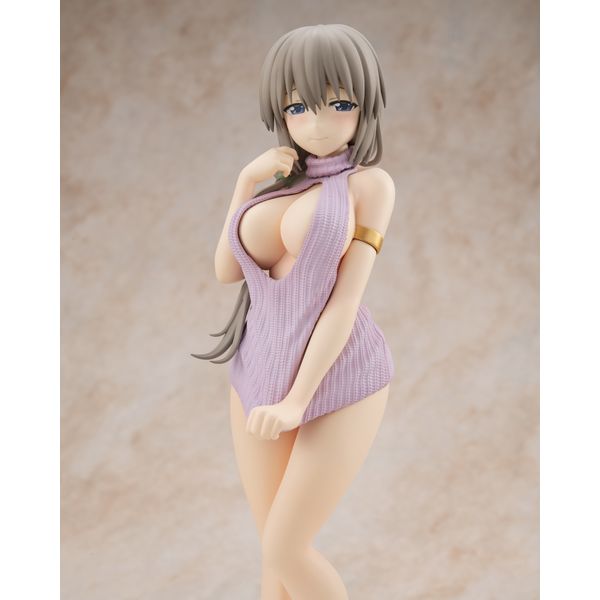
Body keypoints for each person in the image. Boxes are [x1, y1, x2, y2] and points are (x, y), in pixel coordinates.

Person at [193, 23, 395, 600]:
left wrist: (297, 401)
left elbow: (343, 302)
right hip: (256, 373)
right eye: (298, 107)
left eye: (339, 104)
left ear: (365, 104)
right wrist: (244, 183)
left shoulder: (370, 186)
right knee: (271, 556)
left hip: (340, 374)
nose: (317, 124)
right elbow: (227, 269)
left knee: (287, 548)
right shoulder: (276, 183)